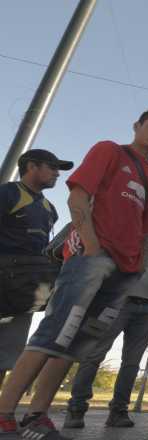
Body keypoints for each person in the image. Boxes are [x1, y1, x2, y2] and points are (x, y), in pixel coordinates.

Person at [0, 109, 148, 440]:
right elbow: (78, 194)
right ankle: (5, 411)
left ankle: (37, 415)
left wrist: (139, 265)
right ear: (137, 126)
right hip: (92, 257)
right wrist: (91, 245)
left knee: (74, 343)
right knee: (54, 331)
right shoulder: (109, 150)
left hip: (125, 270)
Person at [64, 213, 148, 429]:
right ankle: (76, 408)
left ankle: (118, 410)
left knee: (132, 363)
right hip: (116, 301)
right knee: (94, 354)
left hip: (147, 309)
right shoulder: (129, 231)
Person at [0, 149, 72, 386]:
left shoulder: (50, 209)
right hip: (3, 277)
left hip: (25, 290)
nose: (57, 174)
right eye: (52, 167)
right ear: (31, 166)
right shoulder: (8, 193)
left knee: (7, 354)